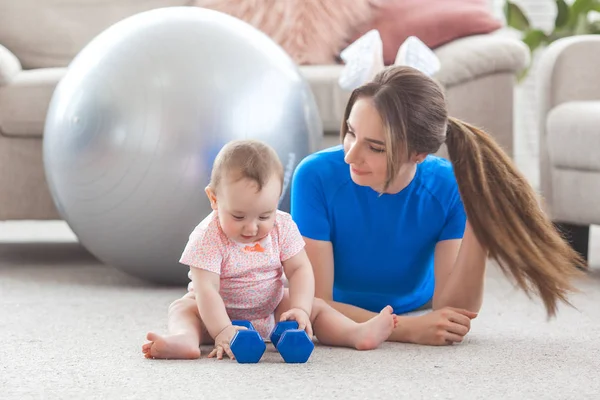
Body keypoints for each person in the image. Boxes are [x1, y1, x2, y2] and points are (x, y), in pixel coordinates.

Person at [290, 65, 585, 346]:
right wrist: (406, 329)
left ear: (418, 153)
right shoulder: (314, 175)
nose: (350, 156)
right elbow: (317, 302)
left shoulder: (447, 185)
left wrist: (480, 224)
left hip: (417, 301)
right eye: (351, 133)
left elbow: (454, 314)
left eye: (375, 147)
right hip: (355, 310)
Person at [142, 139, 397, 360]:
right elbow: (206, 290)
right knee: (184, 309)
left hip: (271, 307)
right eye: (239, 216)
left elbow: (299, 269)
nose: (252, 228)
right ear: (214, 199)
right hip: (214, 314)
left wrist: (300, 308)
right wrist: (221, 330)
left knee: (315, 306)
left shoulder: (283, 226)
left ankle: (355, 333)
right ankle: (185, 340)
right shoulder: (207, 236)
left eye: (264, 215)